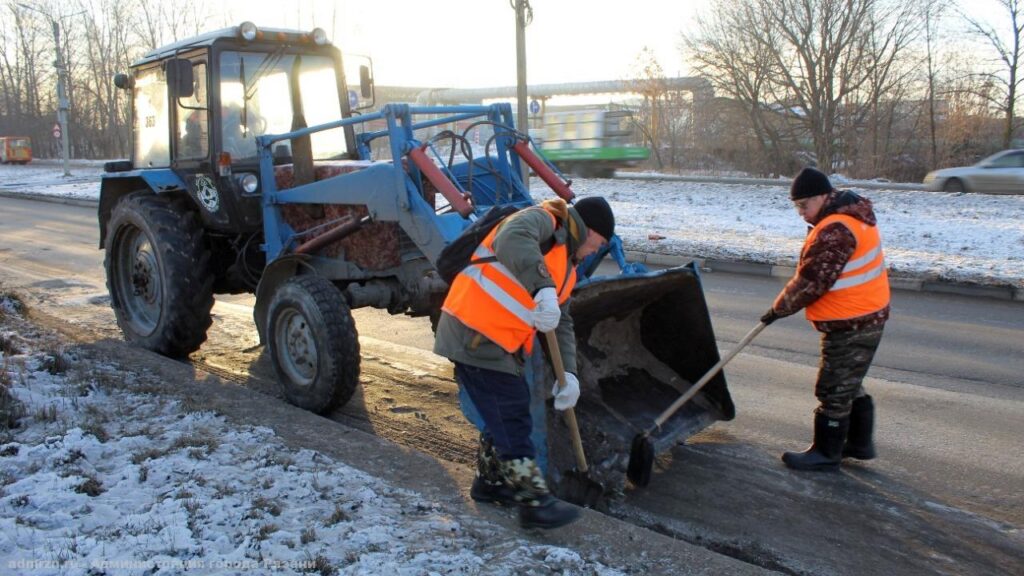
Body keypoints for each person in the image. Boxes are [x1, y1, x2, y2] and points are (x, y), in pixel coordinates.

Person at [433, 196, 615, 529]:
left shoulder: (567, 269)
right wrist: (542, 287)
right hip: (472, 331)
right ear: (588, 230)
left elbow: (562, 322)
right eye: (599, 244)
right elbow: (511, 238)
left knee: (500, 416)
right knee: (513, 416)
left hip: (497, 343)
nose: (595, 252)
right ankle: (533, 503)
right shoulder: (545, 221)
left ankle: (489, 484)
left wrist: (569, 375)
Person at [760, 167, 890, 472]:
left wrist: (777, 309)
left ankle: (826, 452)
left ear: (823, 197)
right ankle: (858, 444)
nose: (802, 214)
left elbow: (811, 281)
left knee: (833, 388)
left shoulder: (837, 229)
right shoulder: (847, 217)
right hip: (862, 315)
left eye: (805, 206)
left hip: (853, 321)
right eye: (797, 208)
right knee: (848, 383)